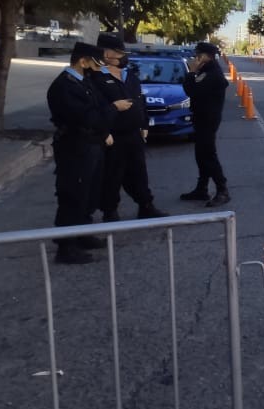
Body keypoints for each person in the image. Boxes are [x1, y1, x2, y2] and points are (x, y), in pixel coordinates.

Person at [47, 42, 129, 263]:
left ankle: (82, 233)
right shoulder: (65, 86)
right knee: (73, 195)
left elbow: (96, 109)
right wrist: (114, 108)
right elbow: (87, 117)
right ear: (82, 61)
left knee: (89, 194)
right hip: (75, 148)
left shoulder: (83, 81)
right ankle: (66, 246)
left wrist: (103, 132)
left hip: (92, 145)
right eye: (93, 64)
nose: (97, 69)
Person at [92, 34, 167, 221]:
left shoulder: (129, 75)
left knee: (139, 173)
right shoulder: (96, 76)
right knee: (112, 175)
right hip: (113, 137)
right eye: (118, 53)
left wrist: (144, 123)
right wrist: (104, 131)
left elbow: (140, 101)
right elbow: (94, 107)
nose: (121, 57)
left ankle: (146, 206)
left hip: (134, 135)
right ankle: (110, 211)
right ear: (106, 53)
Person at [180, 41, 230, 207]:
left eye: (198, 55)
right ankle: (201, 188)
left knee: (208, 155)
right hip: (201, 118)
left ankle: (222, 190)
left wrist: (191, 72)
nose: (196, 58)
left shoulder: (212, 74)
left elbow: (191, 90)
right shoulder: (206, 71)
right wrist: (194, 73)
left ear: (207, 56)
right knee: (201, 155)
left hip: (208, 120)